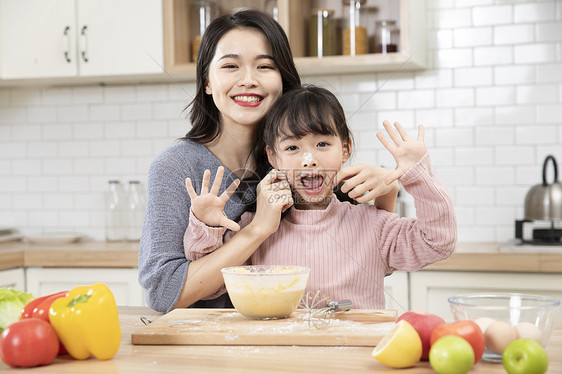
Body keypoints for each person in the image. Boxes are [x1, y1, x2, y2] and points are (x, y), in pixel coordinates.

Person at [138, 11, 399, 312]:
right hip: (208, 350)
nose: (248, 80)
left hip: (288, 344)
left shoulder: (300, 161)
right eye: (230, 66)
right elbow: (163, 292)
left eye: (264, 66)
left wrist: (387, 191)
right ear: (207, 82)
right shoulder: (176, 167)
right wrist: (256, 229)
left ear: (283, 79)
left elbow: (369, 262)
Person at [184, 85, 457, 309]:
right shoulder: (255, 228)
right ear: (273, 157)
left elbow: (438, 242)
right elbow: (210, 288)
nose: (309, 160)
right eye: (292, 147)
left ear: (346, 149)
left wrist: (418, 176)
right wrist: (206, 226)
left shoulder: (372, 225)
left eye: (322, 144)